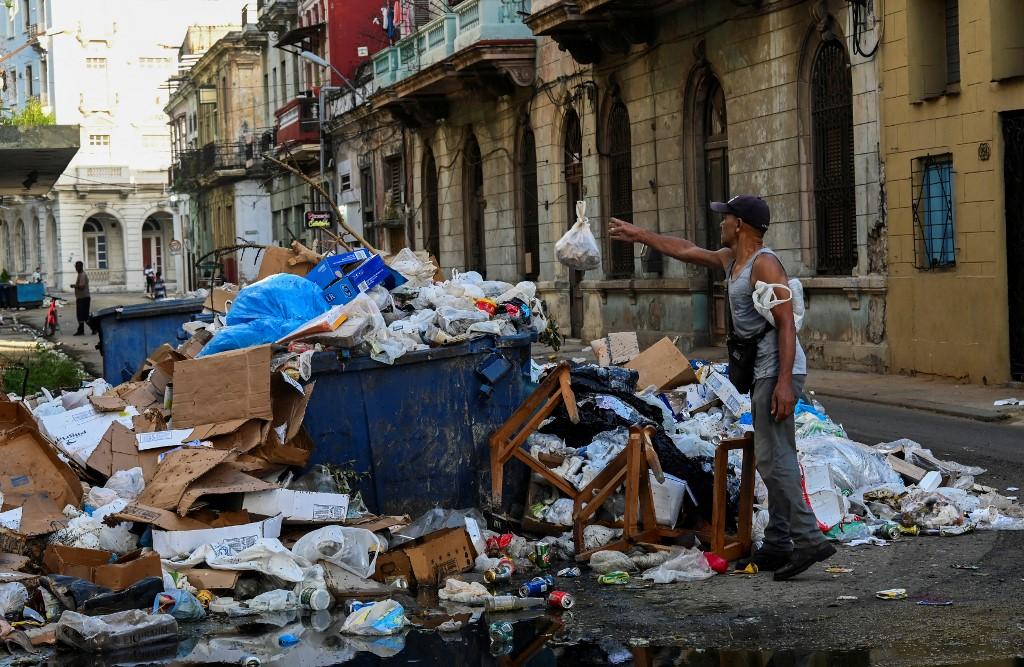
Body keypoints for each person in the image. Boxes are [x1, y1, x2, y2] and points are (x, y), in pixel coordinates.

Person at [609, 194, 835, 581]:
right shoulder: (734, 261)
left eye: (725, 218)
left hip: (776, 369)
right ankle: (780, 542)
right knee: (778, 454)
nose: (720, 224)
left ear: (741, 225)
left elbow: (786, 325)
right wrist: (641, 235)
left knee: (769, 457)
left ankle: (808, 538)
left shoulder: (764, 265)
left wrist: (783, 384)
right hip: (764, 370)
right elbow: (687, 250)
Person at [70, 261, 91, 336]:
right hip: (80, 297)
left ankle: (94, 328)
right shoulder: (80, 274)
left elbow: (82, 286)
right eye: (76, 267)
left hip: (84, 298)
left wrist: (74, 286)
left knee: (84, 316)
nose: (76, 268)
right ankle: (81, 330)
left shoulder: (82, 275)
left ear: (80, 267)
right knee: (80, 316)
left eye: (77, 267)